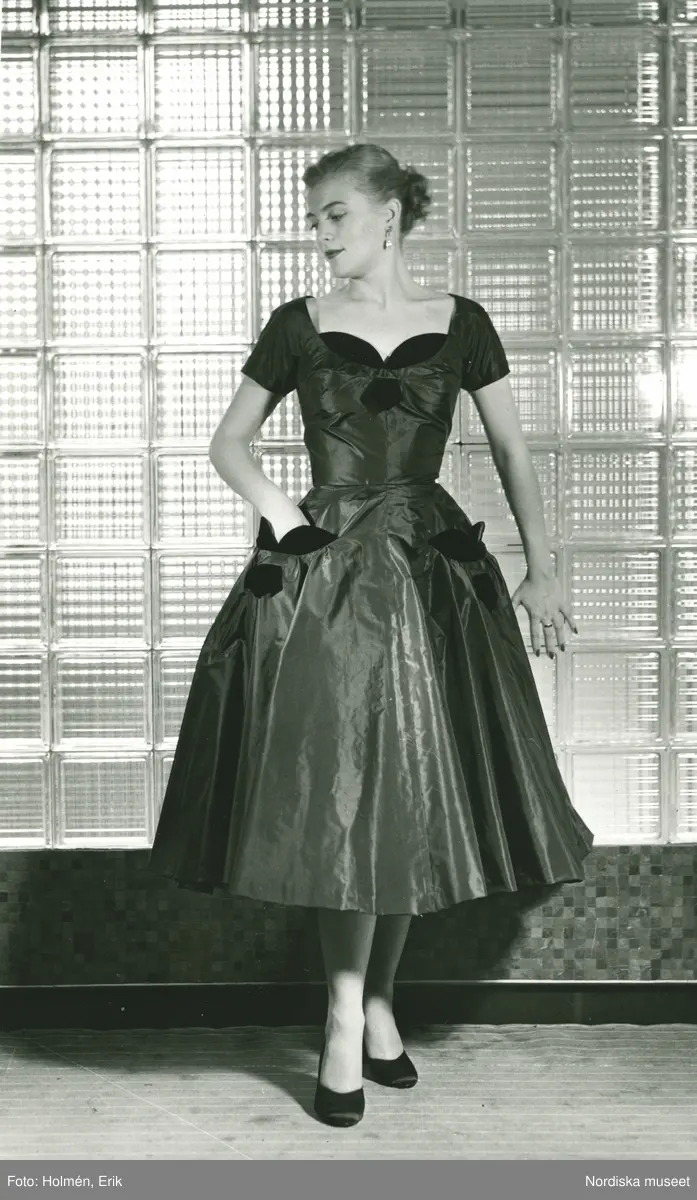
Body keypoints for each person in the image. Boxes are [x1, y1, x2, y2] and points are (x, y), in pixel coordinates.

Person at [147, 143, 594, 1128]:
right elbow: (228, 442)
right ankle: (344, 1016)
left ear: (388, 215)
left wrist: (543, 568)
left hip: (433, 578)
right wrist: (284, 516)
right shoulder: (296, 326)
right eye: (315, 217)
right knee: (343, 800)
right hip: (323, 579)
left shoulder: (463, 323)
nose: (319, 234)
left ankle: (377, 1003)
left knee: (406, 796)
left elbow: (512, 450)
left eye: (334, 214)